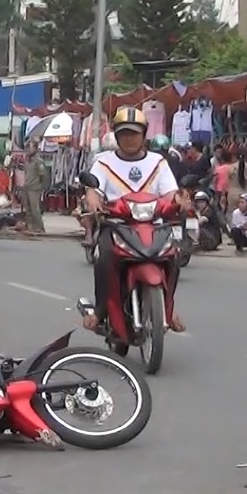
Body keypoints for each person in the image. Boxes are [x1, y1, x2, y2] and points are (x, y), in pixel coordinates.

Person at [82, 107, 185, 333]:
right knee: (104, 258)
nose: (130, 138)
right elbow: (94, 188)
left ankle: (168, 308)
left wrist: (178, 201)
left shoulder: (158, 162)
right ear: (117, 136)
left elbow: (170, 192)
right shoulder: (103, 162)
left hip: (153, 226)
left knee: (174, 257)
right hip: (117, 226)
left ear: (143, 135)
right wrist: (93, 199)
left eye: (135, 133)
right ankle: (100, 310)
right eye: (124, 133)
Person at [18, 142, 48, 233]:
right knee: (28, 209)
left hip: (34, 188)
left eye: (30, 147)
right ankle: (31, 227)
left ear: (35, 148)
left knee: (35, 209)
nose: (28, 150)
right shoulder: (28, 160)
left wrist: (41, 187)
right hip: (27, 186)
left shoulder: (38, 161)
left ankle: (40, 228)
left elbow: (43, 175)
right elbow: (27, 172)